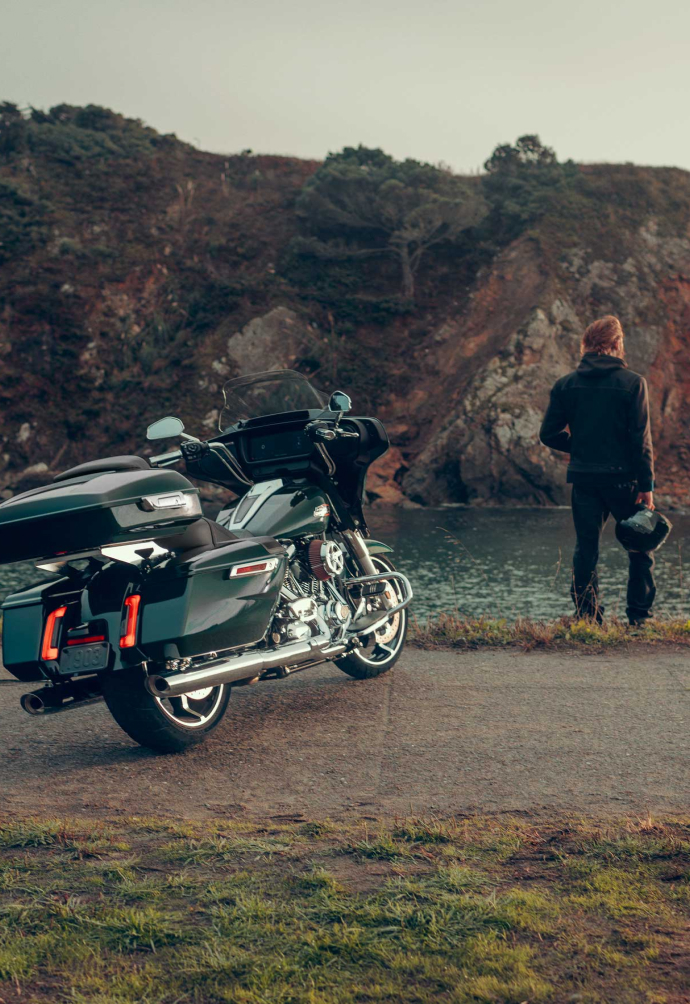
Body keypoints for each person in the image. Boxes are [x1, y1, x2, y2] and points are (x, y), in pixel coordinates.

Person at [539, 315, 655, 626]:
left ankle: (587, 616)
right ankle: (639, 619)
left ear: (586, 346)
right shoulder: (633, 383)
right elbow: (640, 440)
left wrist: (580, 448)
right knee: (640, 546)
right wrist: (647, 485)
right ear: (617, 345)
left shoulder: (566, 385)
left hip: (585, 480)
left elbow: (548, 434)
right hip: (624, 480)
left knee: (586, 549)